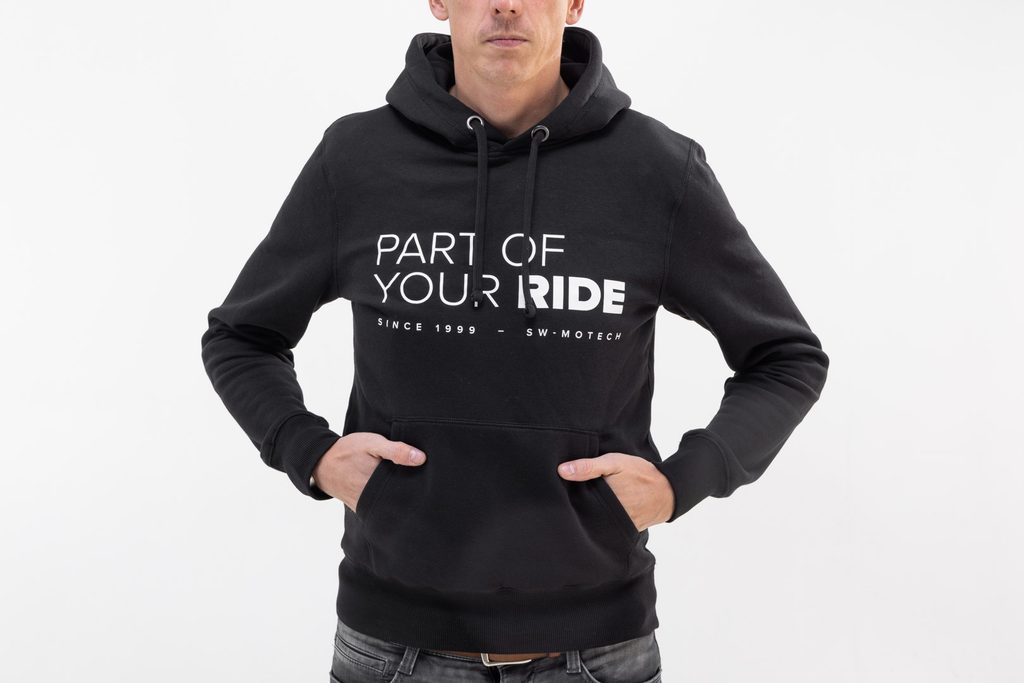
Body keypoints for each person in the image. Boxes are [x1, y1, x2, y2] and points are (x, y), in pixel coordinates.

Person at [200, 1, 830, 680]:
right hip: (392, 648)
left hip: (599, 650)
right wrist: (312, 454)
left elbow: (785, 357)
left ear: (575, 3)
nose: (505, 5)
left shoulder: (655, 168)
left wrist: (681, 483)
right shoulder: (357, 159)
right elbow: (242, 336)